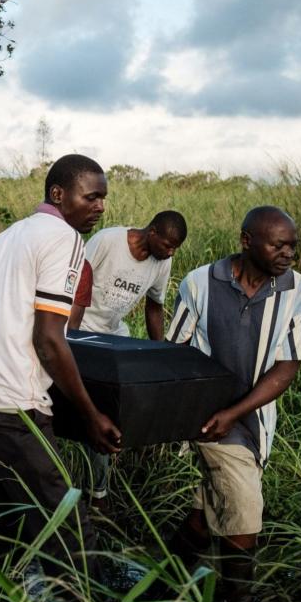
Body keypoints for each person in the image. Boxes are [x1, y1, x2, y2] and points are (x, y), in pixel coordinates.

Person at [0, 153, 121, 579]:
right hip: (16, 410)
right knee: (70, 531)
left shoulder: (6, 238)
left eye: (103, 198)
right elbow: (50, 339)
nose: (100, 207)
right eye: (92, 196)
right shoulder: (63, 239)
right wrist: (90, 415)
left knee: (9, 515)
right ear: (58, 194)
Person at [165, 206, 301, 602]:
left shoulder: (299, 291)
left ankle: (166, 579)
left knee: (210, 506)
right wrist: (177, 413)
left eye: (292, 245)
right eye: (278, 244)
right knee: (245, 506)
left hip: (251, 419)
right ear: (246, 240)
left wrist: (237, 412)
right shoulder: (200, 283)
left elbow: (288, 366)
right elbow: (175, 352)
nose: (288, 253)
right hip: (206, 417)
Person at [68, 210, 187, 506]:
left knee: (127, 402)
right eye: (168, 245)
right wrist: (72, 336)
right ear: (153, 232)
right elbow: (75, 280)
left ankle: (128, 461)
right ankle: (97, 492)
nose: (171, 252)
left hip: (114, 334)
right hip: (82, 330)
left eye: (175, 248)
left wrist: (160, 353)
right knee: (92, 408)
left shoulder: (162, 262)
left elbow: (154, 307)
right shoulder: (109, 241)